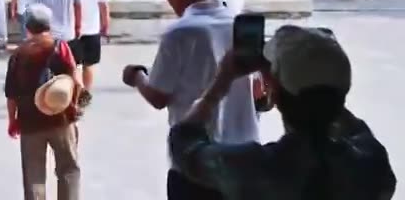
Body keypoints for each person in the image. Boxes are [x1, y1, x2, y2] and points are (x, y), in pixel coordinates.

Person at [168, 25, 396, 199]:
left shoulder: (253, 168)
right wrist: (324, 91)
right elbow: (354, 128)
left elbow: (183, 142)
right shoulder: (372, 164)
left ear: (274, 92)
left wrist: (221, 83)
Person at [122, 0, 259, 200]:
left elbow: (158, 97)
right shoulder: (239, 26)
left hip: (196, 159)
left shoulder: (179, 33)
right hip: (245, 157)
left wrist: (137, 76)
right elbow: (259, 92)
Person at [5, 4, 81, 200]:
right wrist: (74, 105)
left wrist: (12, 120)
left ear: (27, 27)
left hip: (30, 122)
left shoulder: (19, 54)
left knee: (33, 175)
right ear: (49, 24)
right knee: (68, 169)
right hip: (61, 117)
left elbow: (11, 94)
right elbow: (76, 80)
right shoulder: (59, 46)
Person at [68, 0, 109, 101]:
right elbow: (103, 4)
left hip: (72, 28)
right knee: (89, 64)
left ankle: (76, 92)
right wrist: (105, 23)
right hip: (92, 27)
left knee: (75, 64)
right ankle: (86, 93)